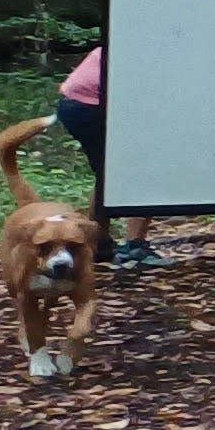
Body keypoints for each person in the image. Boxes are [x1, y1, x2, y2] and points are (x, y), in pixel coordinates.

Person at [51, 46, 152, 267]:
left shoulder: (123, 35)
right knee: (140, 168)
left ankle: (98, 243)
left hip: (73, 103)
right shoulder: (147, 46)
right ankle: (134, 247)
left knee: (106, 172)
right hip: (90, 105)